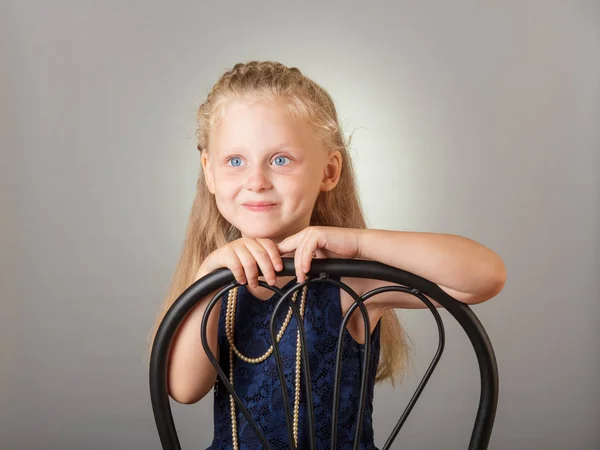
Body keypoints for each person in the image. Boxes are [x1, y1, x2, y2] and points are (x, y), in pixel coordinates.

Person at [148, 60, 506, 449]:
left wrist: (359, 244)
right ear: (210, 173)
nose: (256, 181)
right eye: (235, 161)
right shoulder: (219, 284)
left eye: (280, 160)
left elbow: (484, 277)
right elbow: (183, 390)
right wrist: (207, 275)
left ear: (328, 171)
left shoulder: (350, 281)